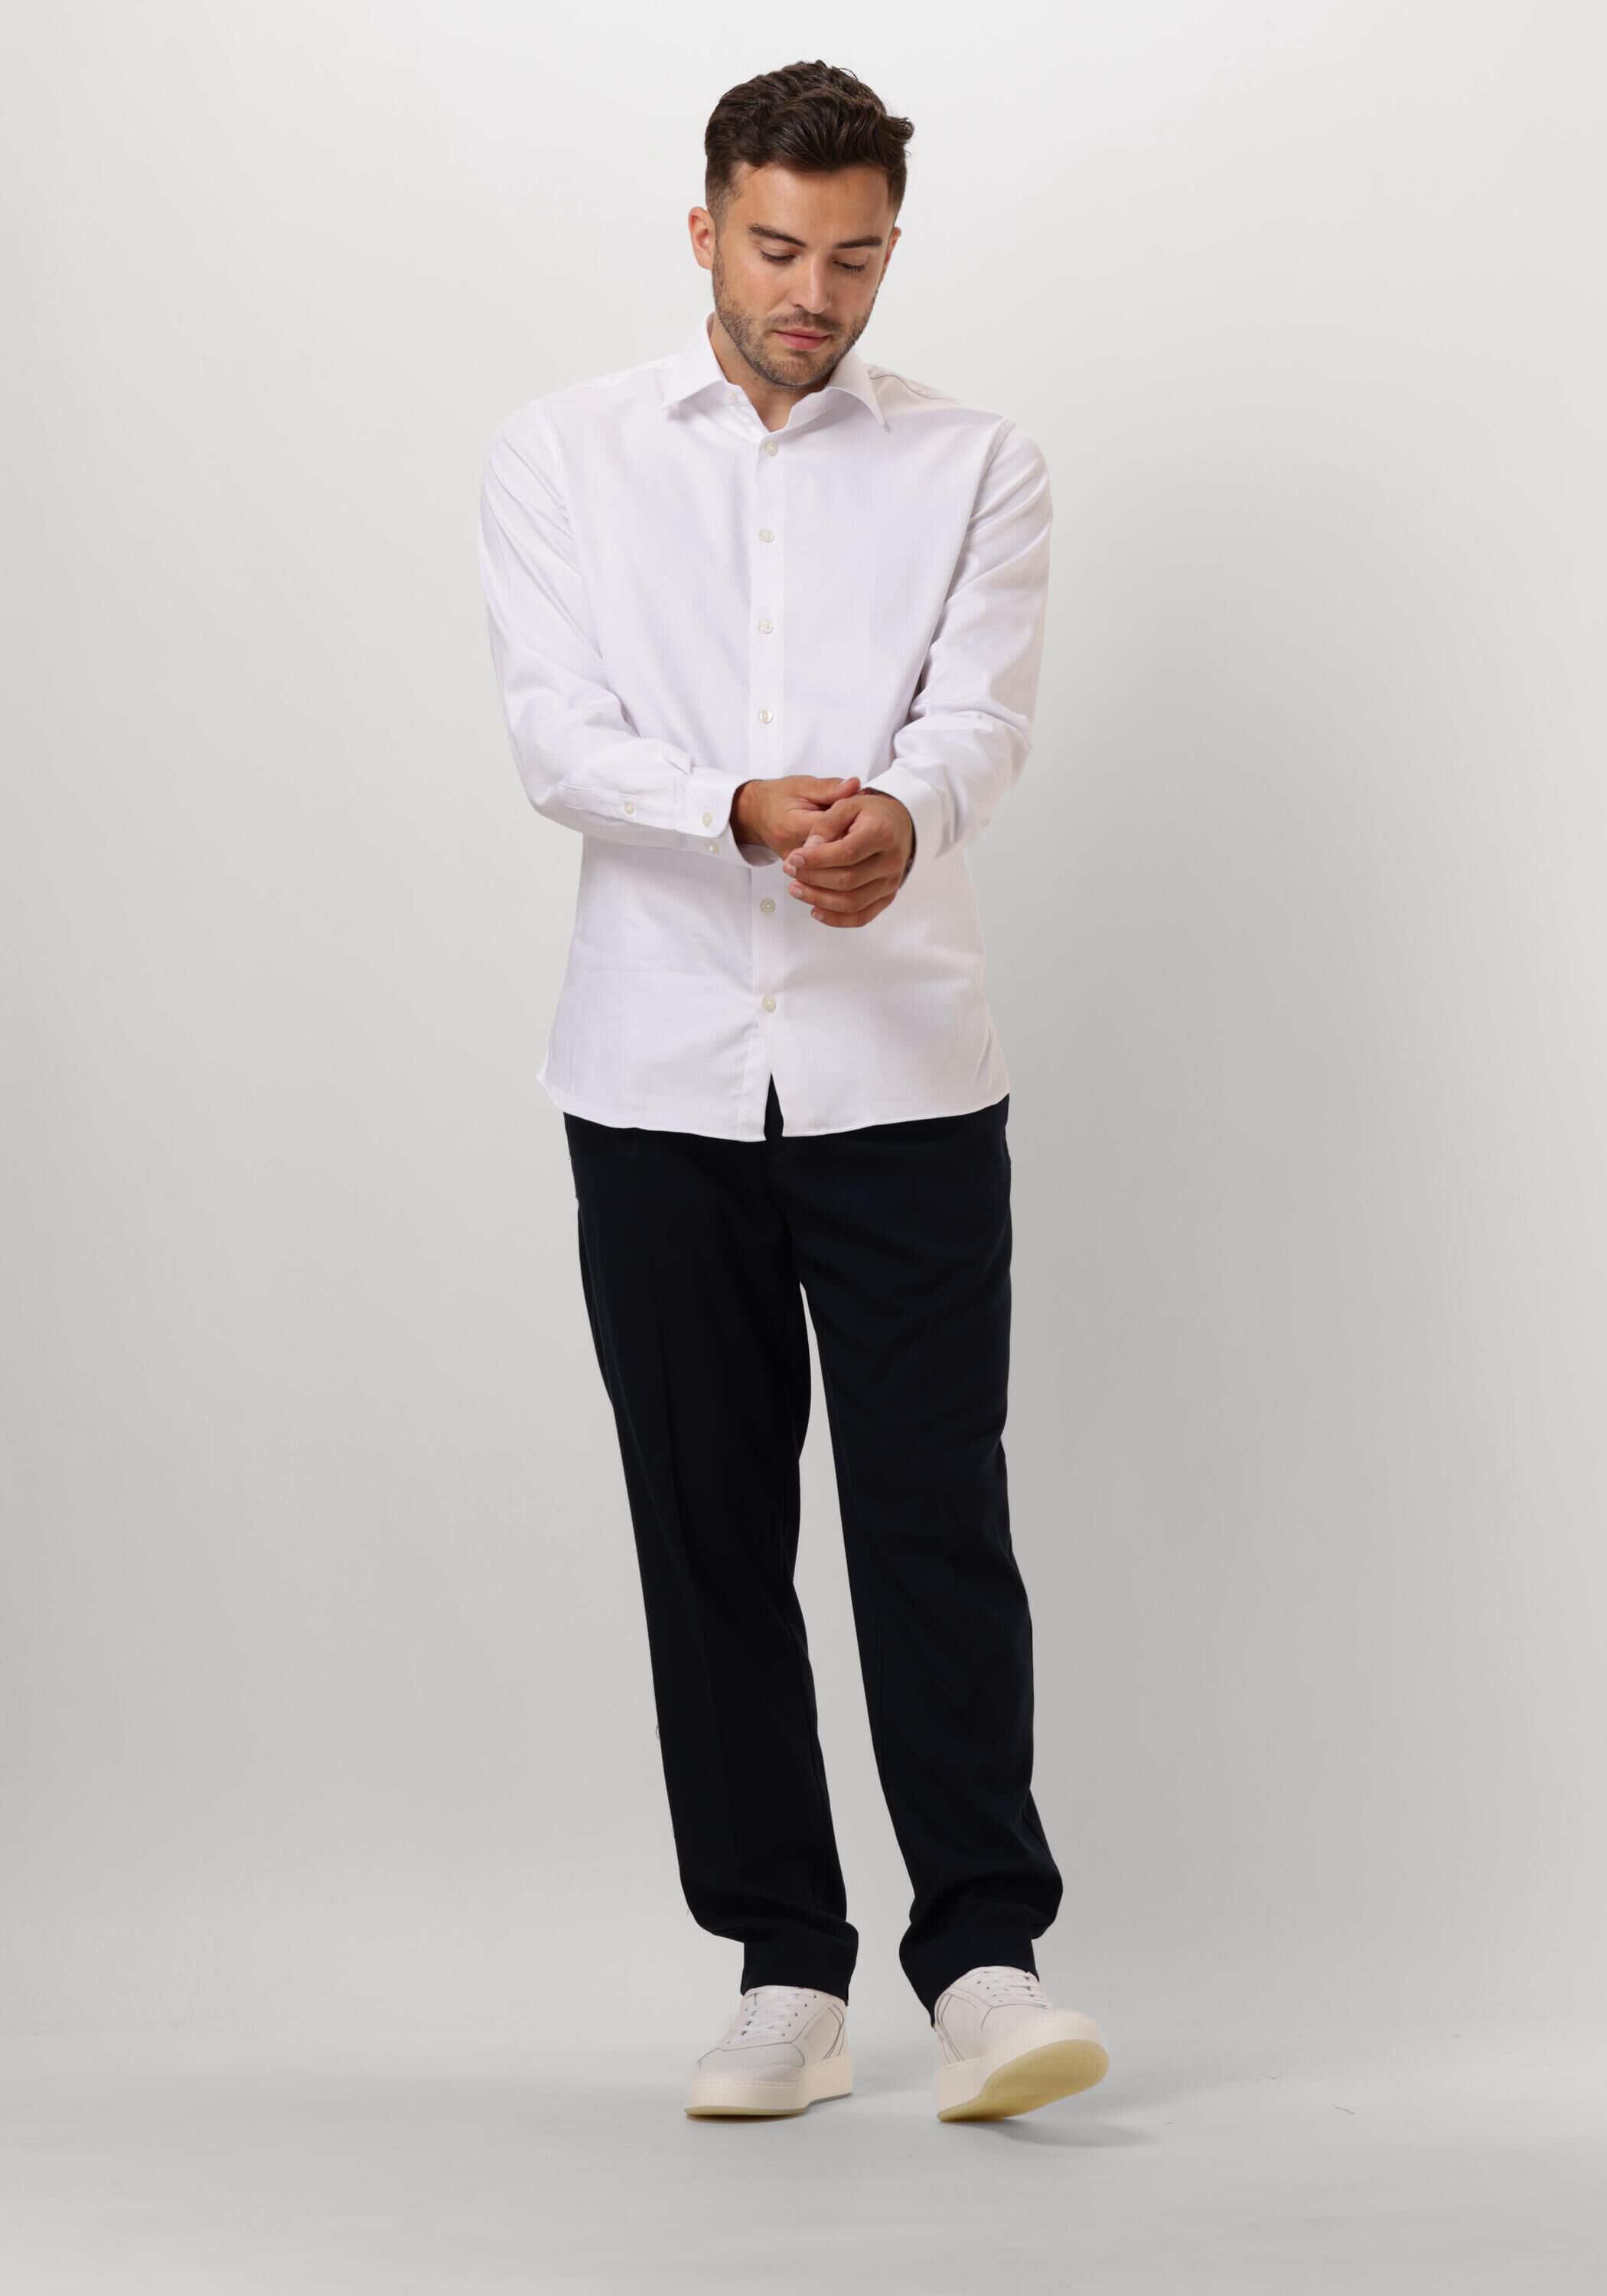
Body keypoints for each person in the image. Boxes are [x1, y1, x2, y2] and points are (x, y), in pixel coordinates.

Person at [477, 57, 1109, 2122]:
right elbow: (559, 734)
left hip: (903, 1069)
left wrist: (900, 818)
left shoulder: (977, 462)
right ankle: (784, 1974)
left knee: (935, 1518)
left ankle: (987, 1961)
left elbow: (978, 716)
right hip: (654, 1074)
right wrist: (741, 809)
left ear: (888, 249)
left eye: (852, 256)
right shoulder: (562, 454)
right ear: (704, 231)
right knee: (709, 1528)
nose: (809, 294)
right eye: (774, 248)